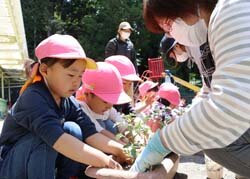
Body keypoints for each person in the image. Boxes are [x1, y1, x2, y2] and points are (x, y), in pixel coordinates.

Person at [130, 0, 250, 177]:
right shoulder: (215, 27)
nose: (172, 34)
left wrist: (162, 141)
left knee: (213, 139)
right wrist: (186, 120)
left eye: (168, 26)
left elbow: (230, 106)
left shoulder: (232, 9)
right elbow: (210, 90)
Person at [0, 34, 124, 179]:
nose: (77, 83)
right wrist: (106, 161)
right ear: (45, 70)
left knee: (73, 129)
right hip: (11, 166)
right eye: (71, 75)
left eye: (80, 76)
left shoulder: (67, 101)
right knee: (48, 138)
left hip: (34, 160)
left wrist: (122, 151)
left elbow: (91, 134)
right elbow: (60, 142)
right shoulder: (33, 98)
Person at [76, 62, 130, 143]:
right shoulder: (81, 107)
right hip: (93, 141)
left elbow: (120, 122)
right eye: (105, 101)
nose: (109, 106)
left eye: (112, 101)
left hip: (108, 142)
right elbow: (99, 130)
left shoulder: (108, 108)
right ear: (88, 95)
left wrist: (132, 135)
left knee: (111, 125)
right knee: (104, 125)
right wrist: (122, 145)